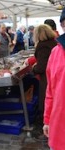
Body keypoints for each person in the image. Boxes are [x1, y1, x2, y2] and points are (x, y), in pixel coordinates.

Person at [43, 8, 65, 149]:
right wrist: (47, 119)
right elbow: (50, 91)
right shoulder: (55, 52)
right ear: (63, 24)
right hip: (59, 129)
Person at [31, 24, 57, 139]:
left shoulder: (42, 46)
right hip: (55, 77)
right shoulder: (54, 42)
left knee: (47, 102)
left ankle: (48, 127)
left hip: (47, 79)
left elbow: (42, 67)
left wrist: (33, 68)